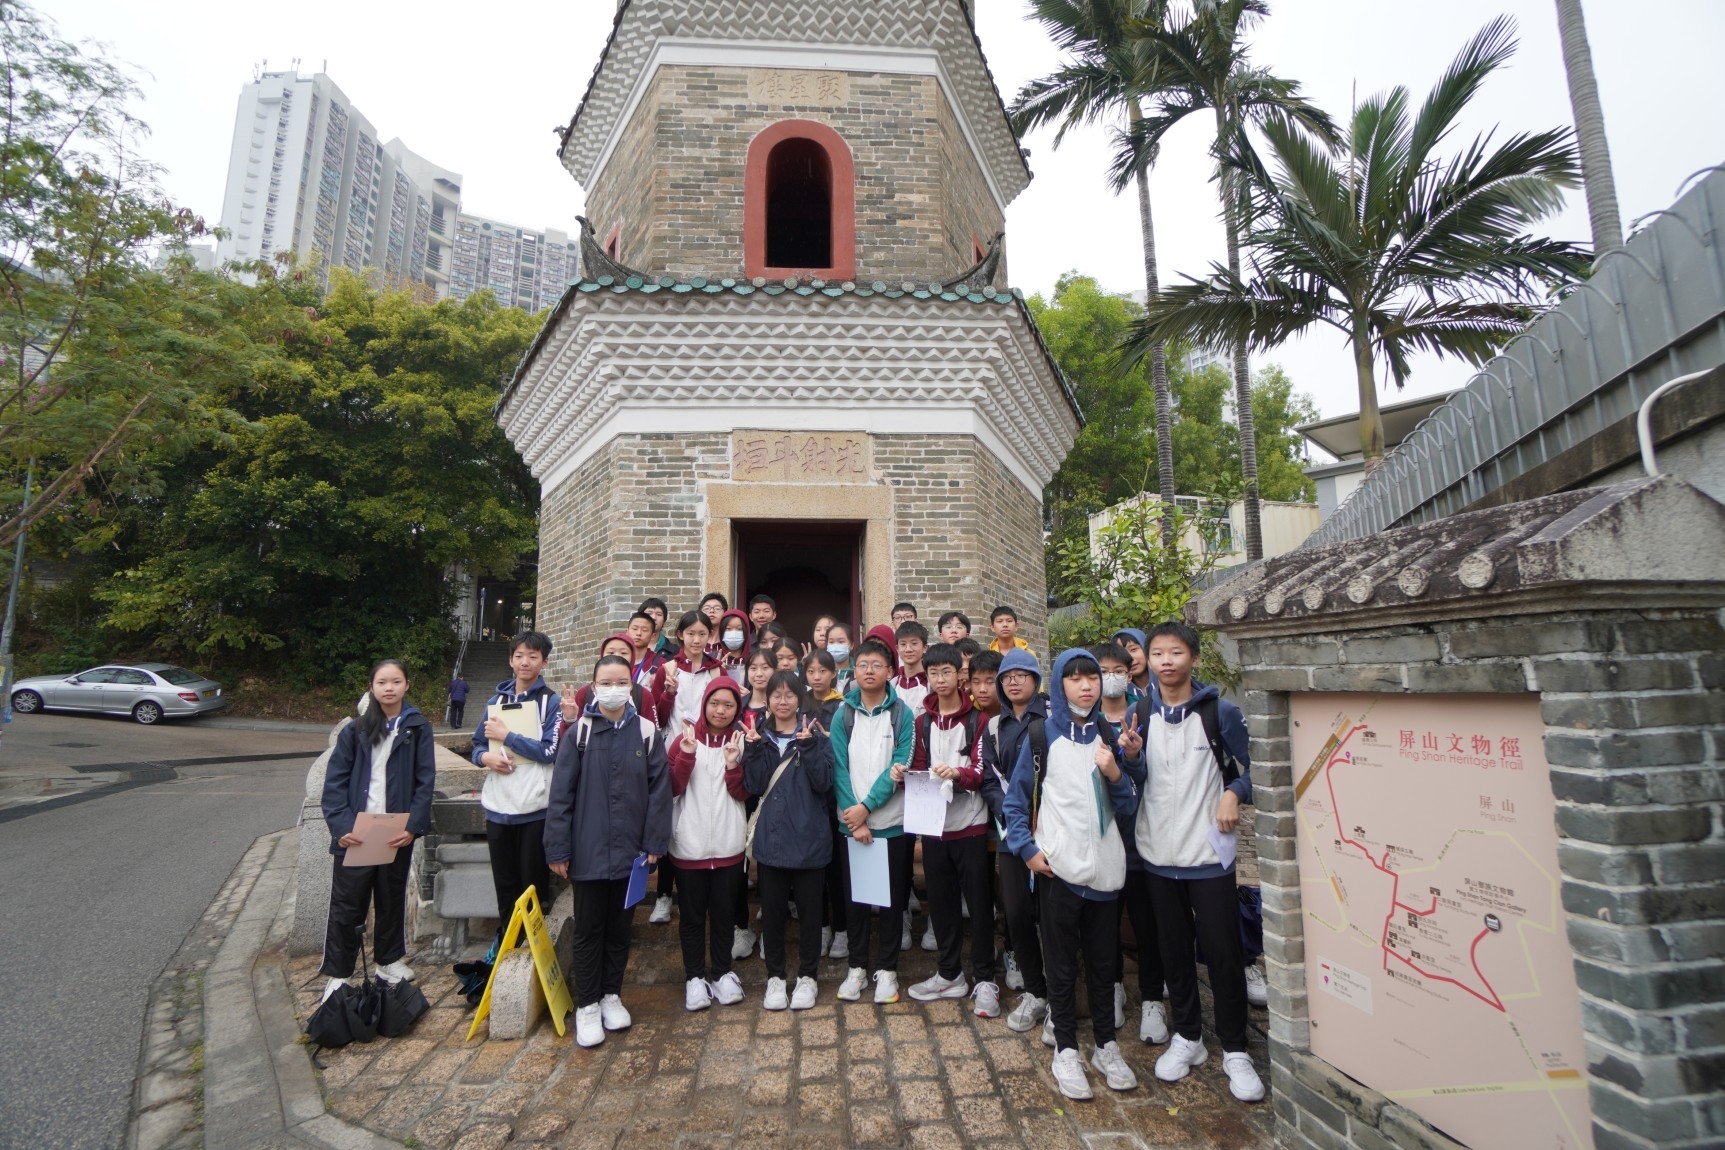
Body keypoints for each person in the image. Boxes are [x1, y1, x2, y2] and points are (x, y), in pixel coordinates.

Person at [1002, 649, 1143, 1101]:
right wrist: (1027, 850)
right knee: (1060, 967)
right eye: (1075, 678)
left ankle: (1106, 1046)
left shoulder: (1110, 735)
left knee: (1103, 966)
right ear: (1059, 685)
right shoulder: (1041, 735)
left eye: (1093, 678)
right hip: (1058, 873)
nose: (1086, 686)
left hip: (1106, 874)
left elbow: (1129, 806)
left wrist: (1116, 771)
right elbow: (1015, 803)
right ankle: (1065, 1048)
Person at [1131, 621, 1263, 1102]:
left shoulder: (1219, 712)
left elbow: (1259, 769)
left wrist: (1234, 791)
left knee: (1224, 954)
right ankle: (1188, 1036)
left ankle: (1235, 1048)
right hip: (1156, 855)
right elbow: (1135, 776)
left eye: (1176, 653)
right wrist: (1129, 757)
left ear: (1194, 658)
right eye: (1158, 654)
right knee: (1174, 952)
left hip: (1207, 854)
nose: (1166, 662)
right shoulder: (1140, 711)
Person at [544, 653, 671, 1047]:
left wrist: (653, 843)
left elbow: (659, 792)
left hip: (631, 853)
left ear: (631, 686)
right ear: (594, 687)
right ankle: (587, 1004)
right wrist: (557, 848)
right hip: (589, 850)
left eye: (621, 682)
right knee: (589, 930)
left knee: (620, 928)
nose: (614, 689)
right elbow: (561, 795)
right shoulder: (579, 734)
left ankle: (611, 995)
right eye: (606, 682)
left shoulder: (647, 733)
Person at [319, 660, 437, 1001]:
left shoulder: (417, 728)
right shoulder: (355, 730)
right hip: (357, 831)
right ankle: (340, 973)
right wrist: (341, 827)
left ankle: (388, 961)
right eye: (382, 682)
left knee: (391, 897)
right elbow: (335, 783)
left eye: (396, 681)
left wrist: (413, 826)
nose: (389, 688)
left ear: (406, 685)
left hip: (394, 830)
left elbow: (425, 780)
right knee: (347, 904)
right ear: (371, 687)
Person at [906, 643, 1000, 1017]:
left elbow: (980, 771)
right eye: (934, 673)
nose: (941, 679)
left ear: (959, 676)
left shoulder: (977, 720)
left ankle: (986, 979)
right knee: (942, 905)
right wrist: (905, 775)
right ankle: (949, 974)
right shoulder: (922, 722)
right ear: (927, 676)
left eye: (947, 672)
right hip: (933, 828)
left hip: (970, 826)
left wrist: (957, 774)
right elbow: (918, 765)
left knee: (978, 906)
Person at [743, 670, 834, 1011]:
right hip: (773, 841)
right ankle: (776, 978)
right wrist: (753, 750)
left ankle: (808, 977)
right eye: (776, 695)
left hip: (810, 840)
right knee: (773, 915)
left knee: (811, 916)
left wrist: (808, 746)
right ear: (767, 700)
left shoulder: (816, 736)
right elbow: (754, 786)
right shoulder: (760, 737)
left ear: (800, 699)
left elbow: (824, 782)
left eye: (790, 695)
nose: (783, 701)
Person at [831, 636, 915, 1004]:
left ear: (890, 671)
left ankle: (888, 970)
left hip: (891, 823)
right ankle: (857, 968)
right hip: (851, 825)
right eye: (862, 665)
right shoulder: (843, 713)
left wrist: (866, 808)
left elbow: (900, 766)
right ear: (854, 670)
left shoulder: (902, 714)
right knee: (856, 901)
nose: (869, 671)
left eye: (877, 665)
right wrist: (855, 817)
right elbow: (838, 767)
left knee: (892, 901)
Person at [1092, 641, 1164, 1043]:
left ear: (1130, 672)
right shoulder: (1085, 721)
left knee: (1145, 920)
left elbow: (1154, 775)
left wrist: (1133, 757)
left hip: (1140, 836)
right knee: (1105, 923)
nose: (1110, 678)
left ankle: (1152, 998)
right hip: (1103, 837)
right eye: (1102, 671)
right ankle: (1114, 986)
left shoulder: (1146, 714)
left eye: (1117, 670)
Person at [666, 677, 751, 1011]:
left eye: (728, 705)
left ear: (737, 709)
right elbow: (671, 788)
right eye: (715, 703)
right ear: (704, 704)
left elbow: (744, 793)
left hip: (729, 847)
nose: (720, 710)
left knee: (724, 914)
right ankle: (694, 977)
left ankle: (722, 972)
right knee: (691, 917)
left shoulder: (741, 741)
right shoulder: (683, 739)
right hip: (690, 846)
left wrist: (733, 764)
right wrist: (687, 757)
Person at [471, 631, 562, 933]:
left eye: (533, 657)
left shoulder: (550, 702)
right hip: (498, 807)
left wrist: (508, 736)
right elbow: (476, 745)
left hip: (534, 809)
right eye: (519, 656)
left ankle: (531, 947)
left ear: (544, 662)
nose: (525, 662)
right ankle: (506, 945)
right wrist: (486, 758)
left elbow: (550, 752)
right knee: (505, 886)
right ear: (510, 660)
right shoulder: (495, 701)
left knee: (533, 887)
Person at [980, 648, 1048, 1024]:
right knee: (1017, 912)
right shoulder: (994, 727)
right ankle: (1035, 989)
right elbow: (989, 778)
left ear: (1036, 680)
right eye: (1007, 677)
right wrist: (1007, 810)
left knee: (1052, 914)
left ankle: (1060, 988)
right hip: (1012, 833)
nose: (1014, 682)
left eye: (1022, 675)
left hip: (1050, 831)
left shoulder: (1051, 718)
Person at [560, 634, 662, 732]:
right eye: (611, 652)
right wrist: (569, 720)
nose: (617, 656)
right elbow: (571, 739)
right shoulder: (585, 693)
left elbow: (653, 734)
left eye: (623, 653)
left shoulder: (643, 695)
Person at [651, 611, 723, 732]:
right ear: (680, 634)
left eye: (702, 634)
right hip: (673, 741)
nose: (696, 640)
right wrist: (669, 694)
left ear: (709, 634)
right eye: (691, 634)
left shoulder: (717, 672)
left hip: (706, 742)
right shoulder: (666, 670)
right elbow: (657, 720)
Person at [893, 620, 931, 711]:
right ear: (897, 649)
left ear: (925, 648)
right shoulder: (892, 685)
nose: (908, 649)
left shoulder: (932, 684)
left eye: (914, 644)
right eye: (903, 644)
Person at [625, 611, 664, 684]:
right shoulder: (616, 660)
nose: (638, 633)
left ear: (653, 636)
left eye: (644, 630)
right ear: (627, 632)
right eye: (635, 629)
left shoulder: (660, 664)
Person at [715, 609, 752, 683]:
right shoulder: (712, 659)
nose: (734, 633)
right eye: (728, 629)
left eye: (739, 629)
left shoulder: (753, 659)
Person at [1112, 628, 1151, 697]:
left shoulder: (1166, 682)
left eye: (1133, 649)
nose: (1130, 658)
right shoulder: (1119, 694)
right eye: (1122, 653)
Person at [967, 649, 1001, 721]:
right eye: (976, 682)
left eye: (990, 682)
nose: (982, 689)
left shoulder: (1015, 709)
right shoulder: (965, 708)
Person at [825, 621, 856, 689]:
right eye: (831, 642)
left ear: (851, 645)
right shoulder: (822, 671)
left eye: (841, 641)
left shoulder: (859, 671)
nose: (836, 646)